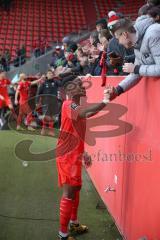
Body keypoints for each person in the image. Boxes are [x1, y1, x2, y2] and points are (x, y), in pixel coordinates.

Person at [56, 77, 110, 240]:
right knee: (69, 193)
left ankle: (74, 223)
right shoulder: (68, 104)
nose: (84, 87)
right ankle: (63, 234)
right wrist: (105, 101)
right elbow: (86, 112)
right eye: (80, 85)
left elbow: (77, 132)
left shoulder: (75, 106)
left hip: (74, 155)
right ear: (71, 89)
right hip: (67, 157)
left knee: (76, 189)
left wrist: (83, 152)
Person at [105, 16, 160, 99]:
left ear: (124, 34)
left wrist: (136, 69)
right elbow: (135, 74)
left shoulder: (153, 34)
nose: (119, 43)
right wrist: (117, 90)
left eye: (118, 39)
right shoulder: (136, 45)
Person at [36, 70, 62, 136]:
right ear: (46, 75)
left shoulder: (56, 82)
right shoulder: (43, 83)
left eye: (51, 73)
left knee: (52, 117)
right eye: (49, 73)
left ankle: (51, 130)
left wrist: (59, 77)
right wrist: (37, 101)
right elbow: (38, 93)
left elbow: (61, 84)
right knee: (46, 116)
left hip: (54, 102)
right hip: (46, 102)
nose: (50, 74)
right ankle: (44, 129)